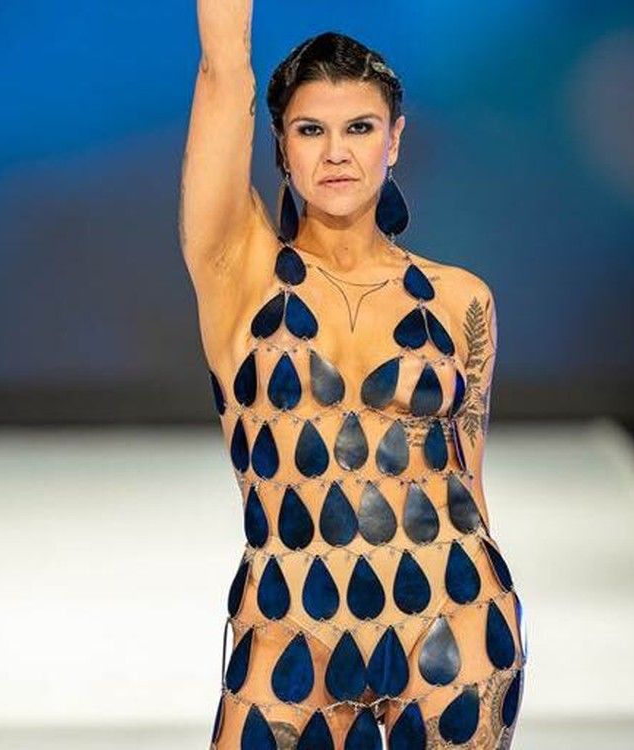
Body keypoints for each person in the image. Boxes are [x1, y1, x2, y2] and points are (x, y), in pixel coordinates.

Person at [179, 3, 527, 749]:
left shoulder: (462, 300)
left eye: (360, 128)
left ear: (394, 139)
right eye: (311, 130)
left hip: (455, 620)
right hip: (288, 634)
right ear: (280, 144)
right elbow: (222, 70)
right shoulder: (238, 273)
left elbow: (469, 481)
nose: (336, 153)